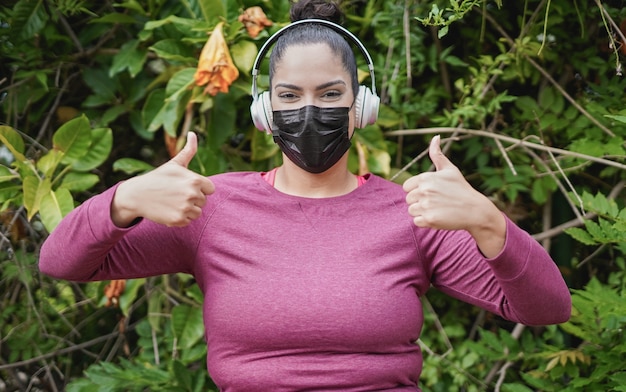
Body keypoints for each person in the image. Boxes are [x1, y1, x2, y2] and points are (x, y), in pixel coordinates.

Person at [39, 0, 571, 390]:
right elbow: (61, 262)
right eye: (289, 96)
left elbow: (547, 308)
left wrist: (488, 222)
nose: (310, 110)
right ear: (265, 111)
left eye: (331, 94)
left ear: (362, 107)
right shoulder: (211, 209)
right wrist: (121, 201)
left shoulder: (412, 214)